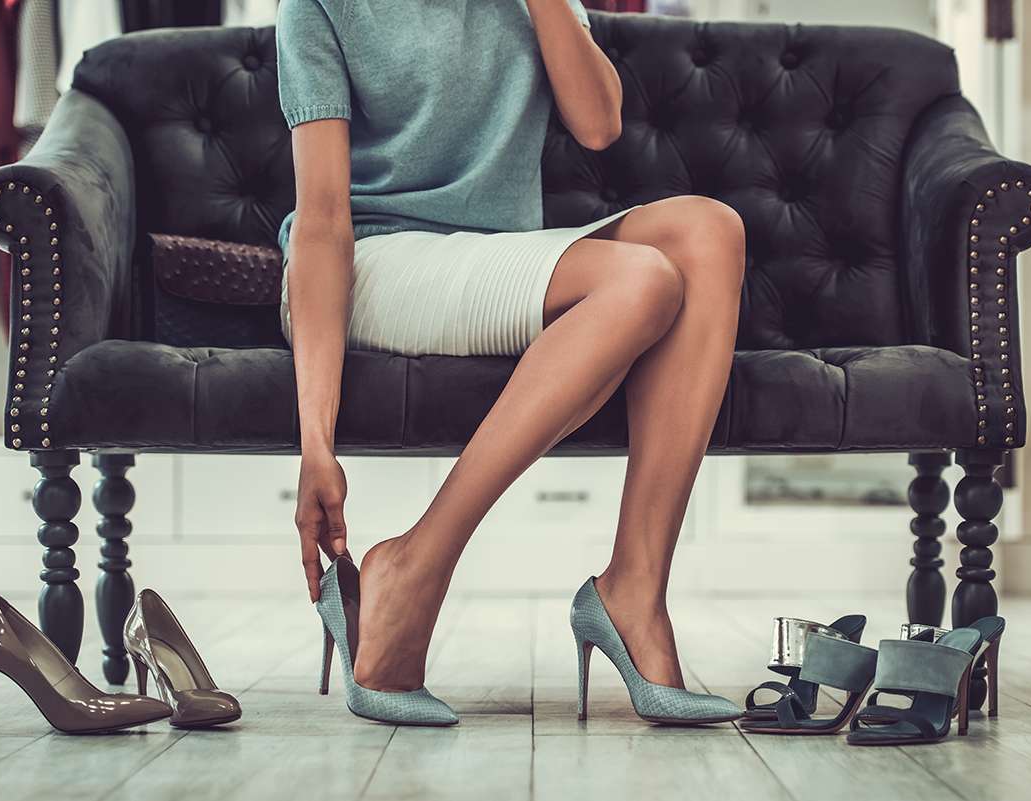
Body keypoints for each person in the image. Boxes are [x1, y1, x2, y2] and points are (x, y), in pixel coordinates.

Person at [278, 0, 745, 723]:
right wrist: (316, 441)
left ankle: (635, 590)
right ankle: (415, 564)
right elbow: (323, 221)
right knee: (643, 279)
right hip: (379, 258)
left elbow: (599, 123)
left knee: (710, 233)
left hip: (496, 253)